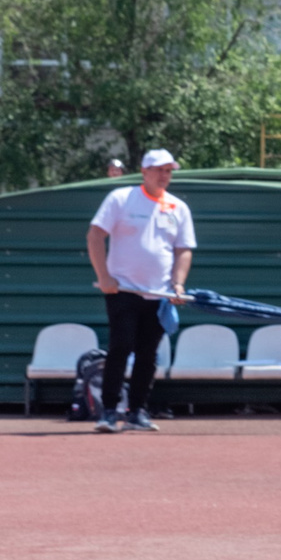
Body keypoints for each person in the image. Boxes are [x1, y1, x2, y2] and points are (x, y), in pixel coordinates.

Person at [85, 149, 195, 434]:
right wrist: (104, 277)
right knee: (120, 347)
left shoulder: (178, 207)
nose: (164, 175)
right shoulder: (121, 198)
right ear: (144, 172)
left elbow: (183, 249)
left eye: (169, 171)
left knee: (148, 354)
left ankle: (138, 412)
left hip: (158, 294)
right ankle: (109, 411)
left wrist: (178, 284)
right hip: (122, 289)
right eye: (159, 170)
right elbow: (95, 235)